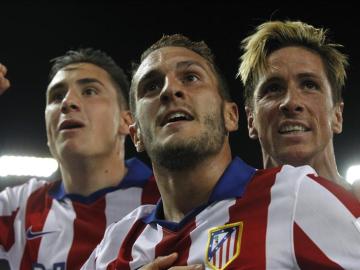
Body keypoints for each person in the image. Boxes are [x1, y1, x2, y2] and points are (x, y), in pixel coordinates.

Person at [82, 34, 360, 269]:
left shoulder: (296, 196)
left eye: (190, 77)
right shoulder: (114, 243)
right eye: (151, 86)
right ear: (136, 134)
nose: (170, 90)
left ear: (230, 116)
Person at [0, 49, 160, 269]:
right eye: (56, 97)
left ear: (127, 121)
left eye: (89, 91)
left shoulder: (166, 201)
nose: (67, 102)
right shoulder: (13, 209)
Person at [237, 20, 360, 199]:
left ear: (337, 115)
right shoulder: (225, 217)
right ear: (251, 120)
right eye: (273, 88)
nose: (291, 102)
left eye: (309, 85)